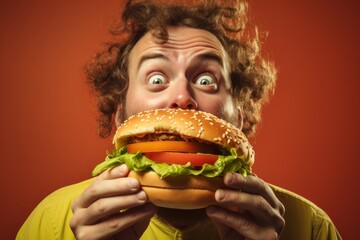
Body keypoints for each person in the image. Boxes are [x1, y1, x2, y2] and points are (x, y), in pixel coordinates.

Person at [17, 0, 342, 239]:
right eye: (157, 79)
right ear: (119, 117)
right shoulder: (50, 221)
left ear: (238, 120)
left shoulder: (310, 226)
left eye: (206, 80)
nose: (182, 97)